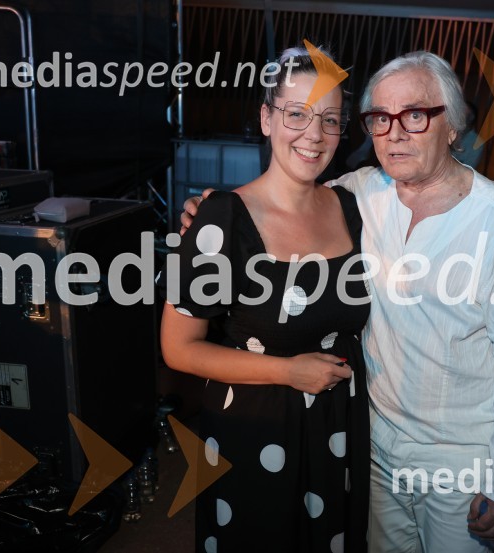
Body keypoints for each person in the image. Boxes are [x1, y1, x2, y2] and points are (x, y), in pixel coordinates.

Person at [183, 51, 494, 553]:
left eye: (415, 115)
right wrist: (209, 214)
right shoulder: (360, 196)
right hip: (371, 448)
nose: (395, 133)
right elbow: (282, 202)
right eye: (380, 118)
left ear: (452, 127)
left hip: (461, 463)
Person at [160, 47, 370, 553]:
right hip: (253, 430)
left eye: (330, 120)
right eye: (296, 114)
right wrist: (286, 371)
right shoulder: (222, 218)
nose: (314, 134)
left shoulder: (351, 206)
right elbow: (179, 350)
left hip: (336, 428)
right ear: (266, 118)